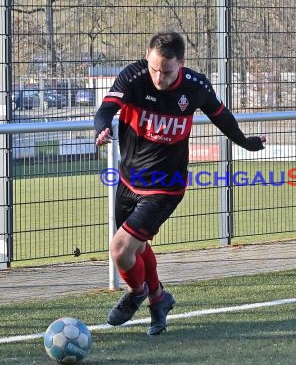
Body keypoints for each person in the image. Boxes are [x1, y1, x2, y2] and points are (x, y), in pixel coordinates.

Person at [94, 31, 265, 336]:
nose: (159, 77)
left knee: (121, 249)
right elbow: (107, 108)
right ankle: (159, 298)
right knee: (138, 246)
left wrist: (246, 142)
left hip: (166, 186)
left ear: (182, 63)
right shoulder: (133, 77)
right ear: (148, 59)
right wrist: (103, 127)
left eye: (167, 71)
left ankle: (137, 293)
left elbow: (222, 117)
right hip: (128, 179)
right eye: (155, 69)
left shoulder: (195, 86)